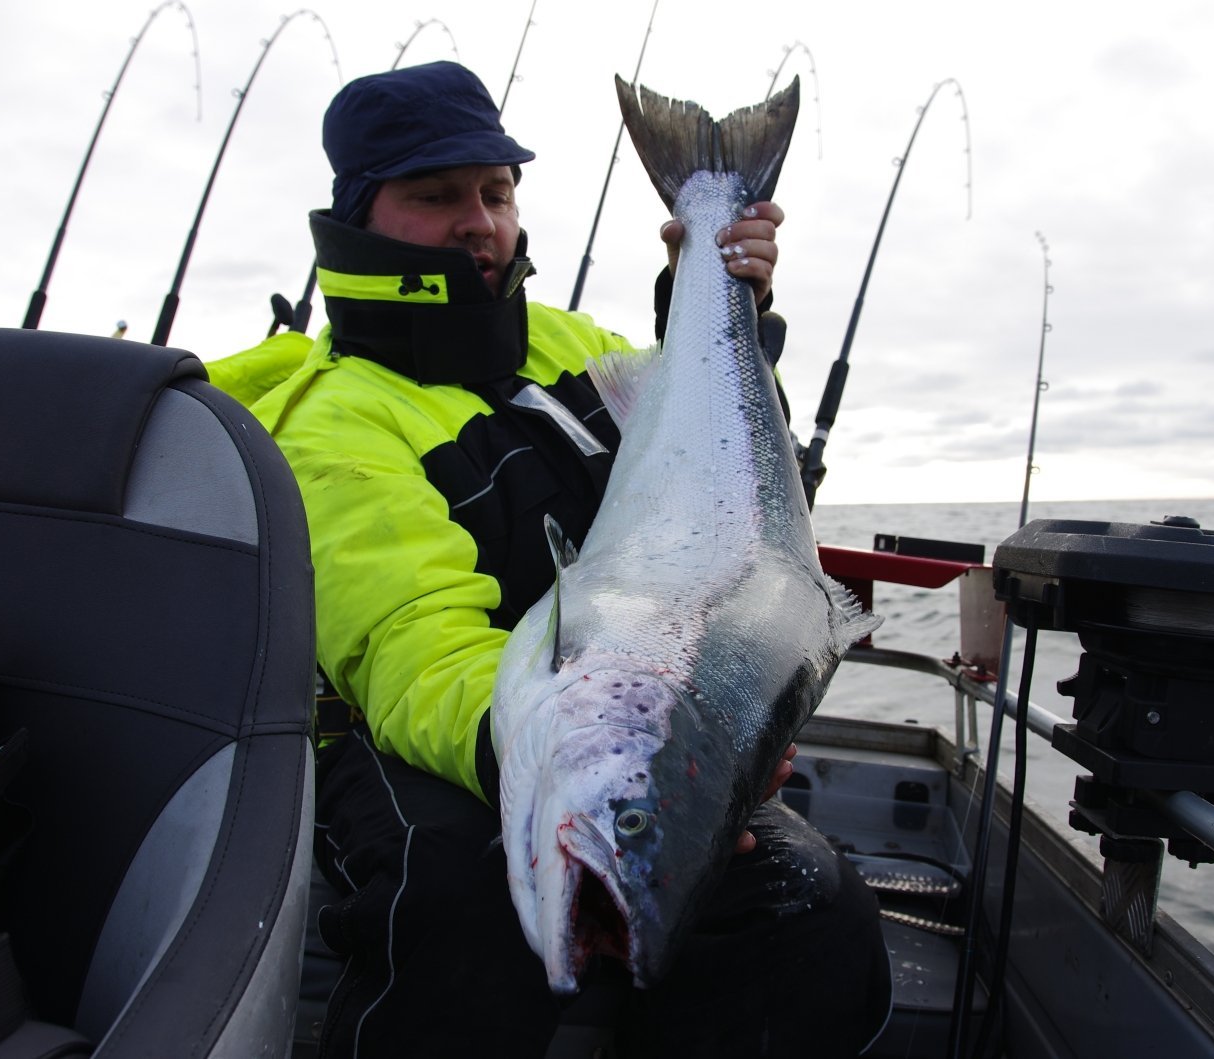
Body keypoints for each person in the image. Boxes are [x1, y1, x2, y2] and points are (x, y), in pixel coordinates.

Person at [209, 61, 891, 1058]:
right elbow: (412, 644)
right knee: (455, 900)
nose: (479, 221)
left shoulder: (571, 346)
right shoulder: (333, 423)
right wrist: (574, 754)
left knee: (812, 905)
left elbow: (727, 493)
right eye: (434, 195)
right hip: (442, 733)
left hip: (634, 717)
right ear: (359, 215)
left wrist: (721, 297)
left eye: (495, 191)